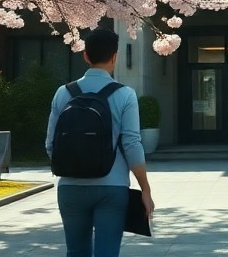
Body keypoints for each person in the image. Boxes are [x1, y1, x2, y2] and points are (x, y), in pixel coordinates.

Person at [46, 29, 154, 257]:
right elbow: (132, 145)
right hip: (111, 187)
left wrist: (73, 165)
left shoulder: (62, 93)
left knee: (76, 251)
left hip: (70, 188)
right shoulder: (125, 94)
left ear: (85, 56)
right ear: (115, 57)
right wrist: (145, 189)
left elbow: (50, 144)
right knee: (107, 252)